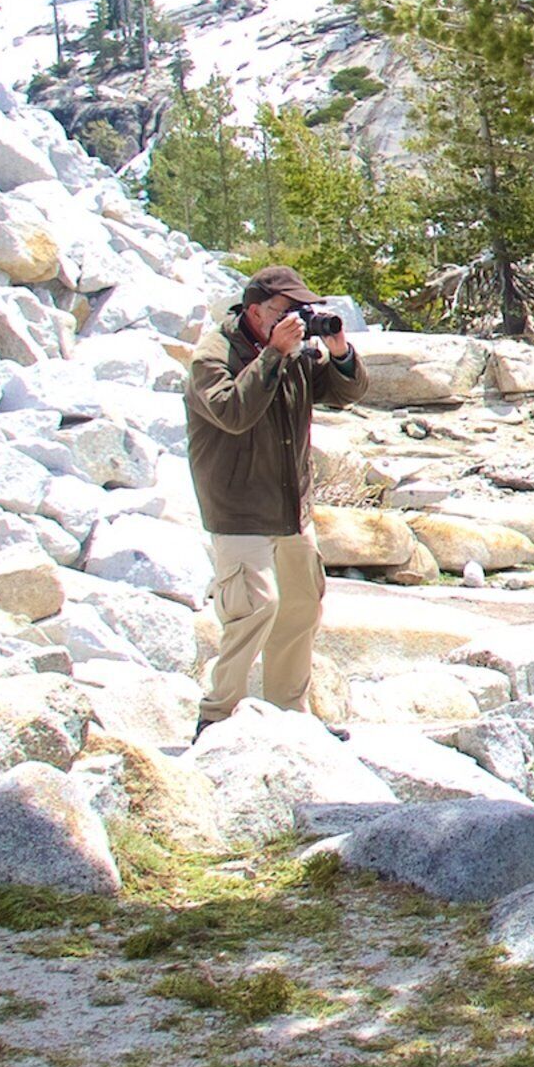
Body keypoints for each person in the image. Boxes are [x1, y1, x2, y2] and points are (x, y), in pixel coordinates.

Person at [184, 265, 364, 726]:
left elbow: (346, 392)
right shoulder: (214, 354)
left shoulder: (297, 350)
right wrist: (273, 356)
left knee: (301, 608)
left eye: (304, 312)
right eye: (288, 311)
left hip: (290, 506)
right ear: (255, 309)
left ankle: (291, 715)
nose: (298, 320)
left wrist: (339, 351)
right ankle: (218, 715)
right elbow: (232, 412)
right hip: (239, 505)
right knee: (252, 609)